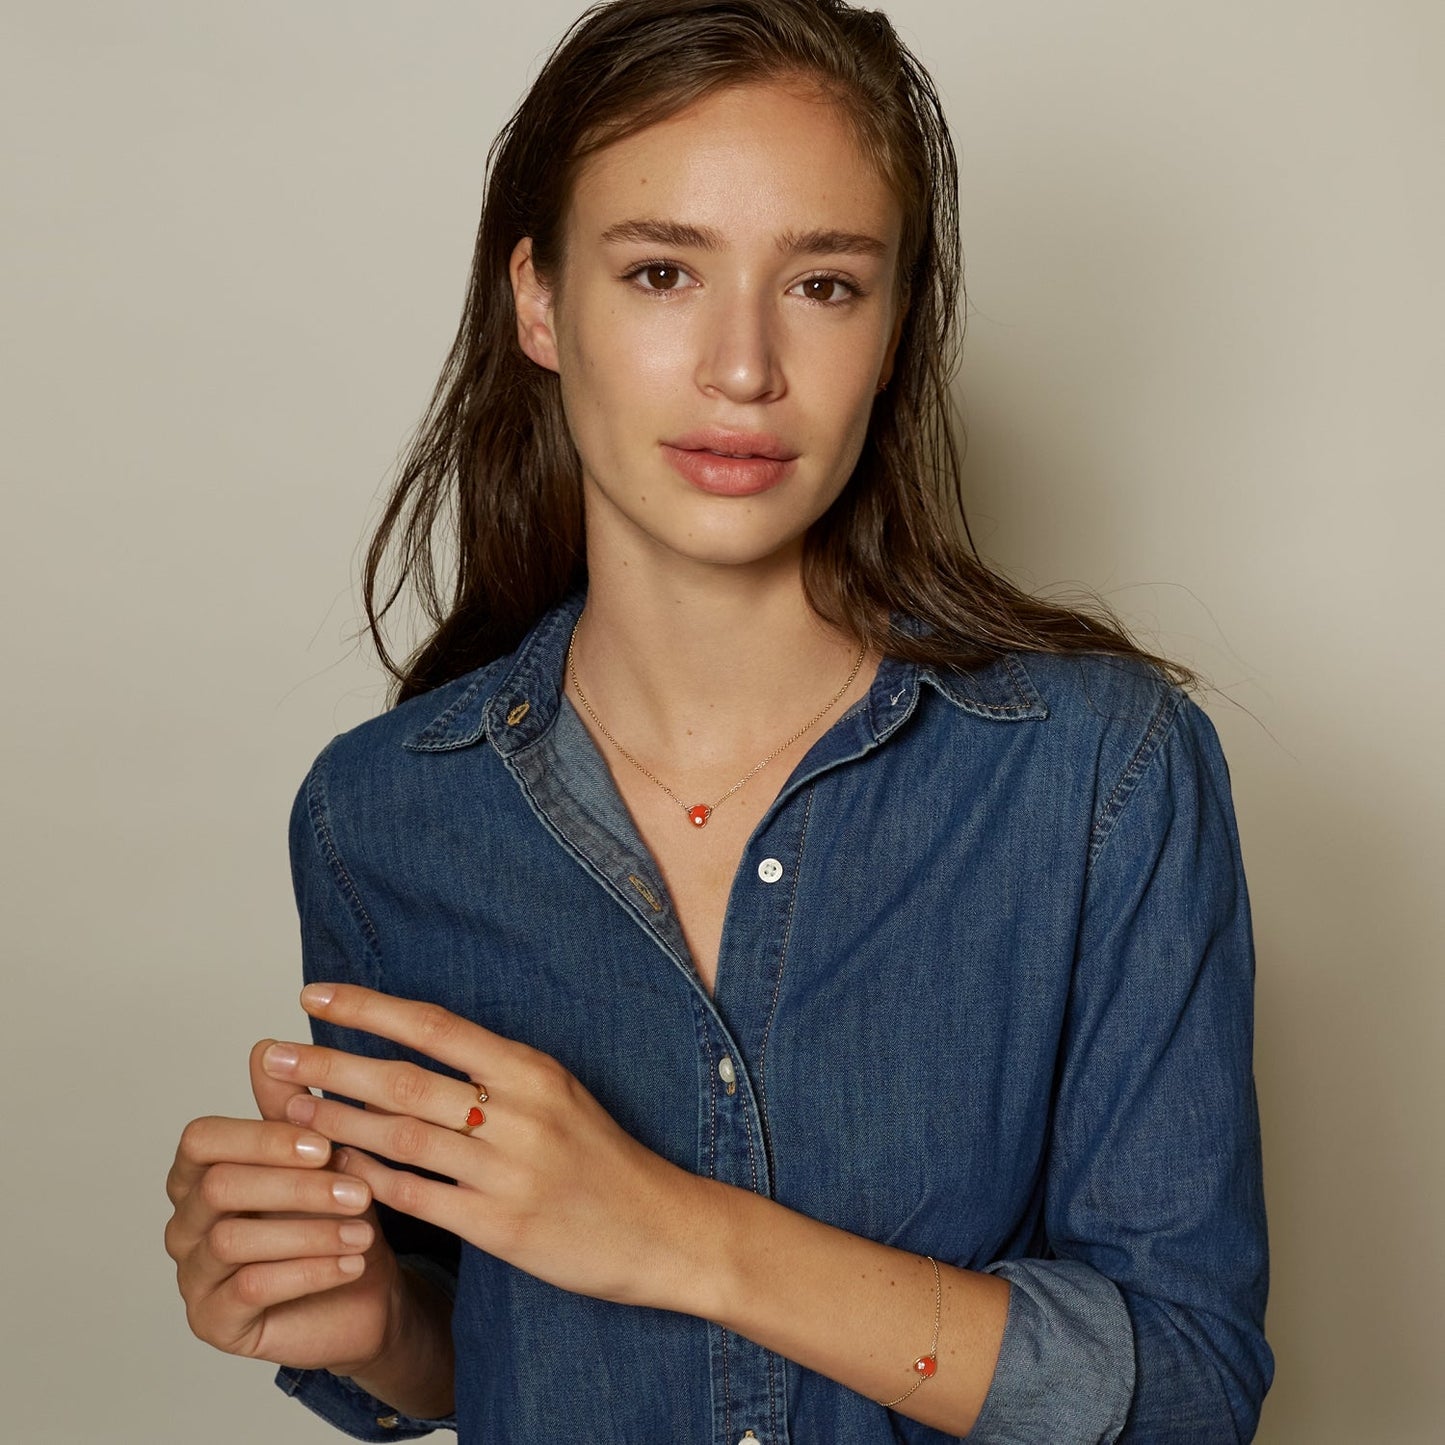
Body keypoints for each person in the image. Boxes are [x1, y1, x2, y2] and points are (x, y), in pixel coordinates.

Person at [163, 1, 1273, 1439]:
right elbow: (490, 1342)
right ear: (541, 302)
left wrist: (673, 1231)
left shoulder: (1101, 776)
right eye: (662, 270)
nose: (743, 368)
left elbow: (1186, 1391)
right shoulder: (382, 816)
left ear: (890, 331)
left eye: (821, 285)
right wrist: (374, 1326)